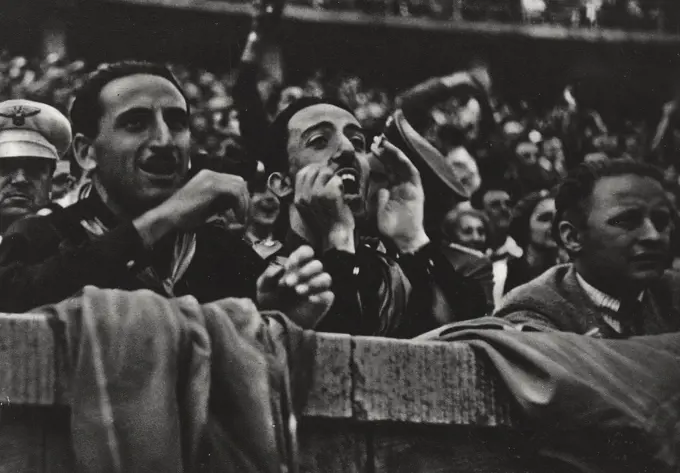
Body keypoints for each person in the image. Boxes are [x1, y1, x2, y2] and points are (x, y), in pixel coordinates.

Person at [0, 61, 333, 318]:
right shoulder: (42, 234)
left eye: (177, 123)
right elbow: (14, 300)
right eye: (135, 123)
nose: (163, 140)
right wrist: (166, 217)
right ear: (87, 153)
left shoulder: (222, 251)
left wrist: (274, 313)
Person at [264, 97, 485, 336]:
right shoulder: (258, 269)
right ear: (283, 183)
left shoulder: (390, 275)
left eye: (357, 142)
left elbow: (466, 336)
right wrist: (338, 238)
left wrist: (413, 239)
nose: (348, 148)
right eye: (319, 141)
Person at [496, 159, 680, 337]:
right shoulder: (532, 311)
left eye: (661, 221)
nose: (653, 236)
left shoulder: (673, 292)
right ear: (573, 238)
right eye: (627, 221)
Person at [0, 99, 72, 236]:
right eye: (5, 167)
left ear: (50, 179)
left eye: (34, 169)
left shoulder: (79, 242)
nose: (20, 179)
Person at [471, 183, 522, 307]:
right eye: (495, 205)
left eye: (508, 204)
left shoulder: (521, 255)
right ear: (481, 212)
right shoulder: (470, 256)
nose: (504, 209)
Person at [503, 189, 559, 294]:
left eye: (558, 219)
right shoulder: (511, 271)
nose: (554, 226)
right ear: (525, 226)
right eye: (545, 219)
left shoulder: (571, 270)